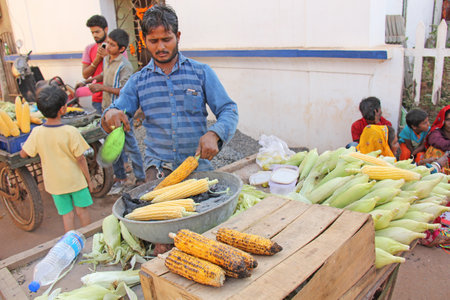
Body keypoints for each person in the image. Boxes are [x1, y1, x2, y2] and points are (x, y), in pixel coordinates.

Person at [100, 4, 238, 254]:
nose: (161, 47)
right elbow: (115, 112)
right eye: (153, 41)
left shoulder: (201, 73)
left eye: (167, 39)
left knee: (205, 233)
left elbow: (229, 109)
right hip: (159, 169)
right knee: (162, 238)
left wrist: (215, 133)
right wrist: (110, 114)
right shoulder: (138, 81)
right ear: (144, 40)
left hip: (198, 166)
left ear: (178, 37)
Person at [20, 85, 93, 232]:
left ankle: (71, 244)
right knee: (82, 211)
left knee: (67, 215)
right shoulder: (70, 132)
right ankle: (90, 238)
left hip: (55, 185)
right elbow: (81, 159)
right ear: (63, 109)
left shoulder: (37, 133)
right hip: (76, 181)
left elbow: (24, 154)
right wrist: (89, 180)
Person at [79, 28, 145, 187]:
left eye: (112, 45)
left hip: (121, 114)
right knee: (113, 145)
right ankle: (120, 177)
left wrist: (102, 89)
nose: (107, 46)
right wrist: (92, 80)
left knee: (131, 146)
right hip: (107, 110)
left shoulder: (125, 66)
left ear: (122, 49)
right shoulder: (107, 59)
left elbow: (124, 91)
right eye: (107, 42)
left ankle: (141, 177)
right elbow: (106, 75)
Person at [79, 15, 109, 114]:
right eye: (92, 32)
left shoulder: (116, 47)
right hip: (97, 99)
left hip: (113, 96)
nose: (94, 35)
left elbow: (120, 70)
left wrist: (107, 57)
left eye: (97, 32)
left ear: (106, 29)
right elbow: (85, 74)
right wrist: (96, 60)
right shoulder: (89, 49)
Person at [420, 105, 450, 174]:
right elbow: (441, 143)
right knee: (435, 150)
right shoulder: (435, 132)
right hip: (439, 162)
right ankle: (435, 174)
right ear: (443, 120)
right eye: (448, 120)